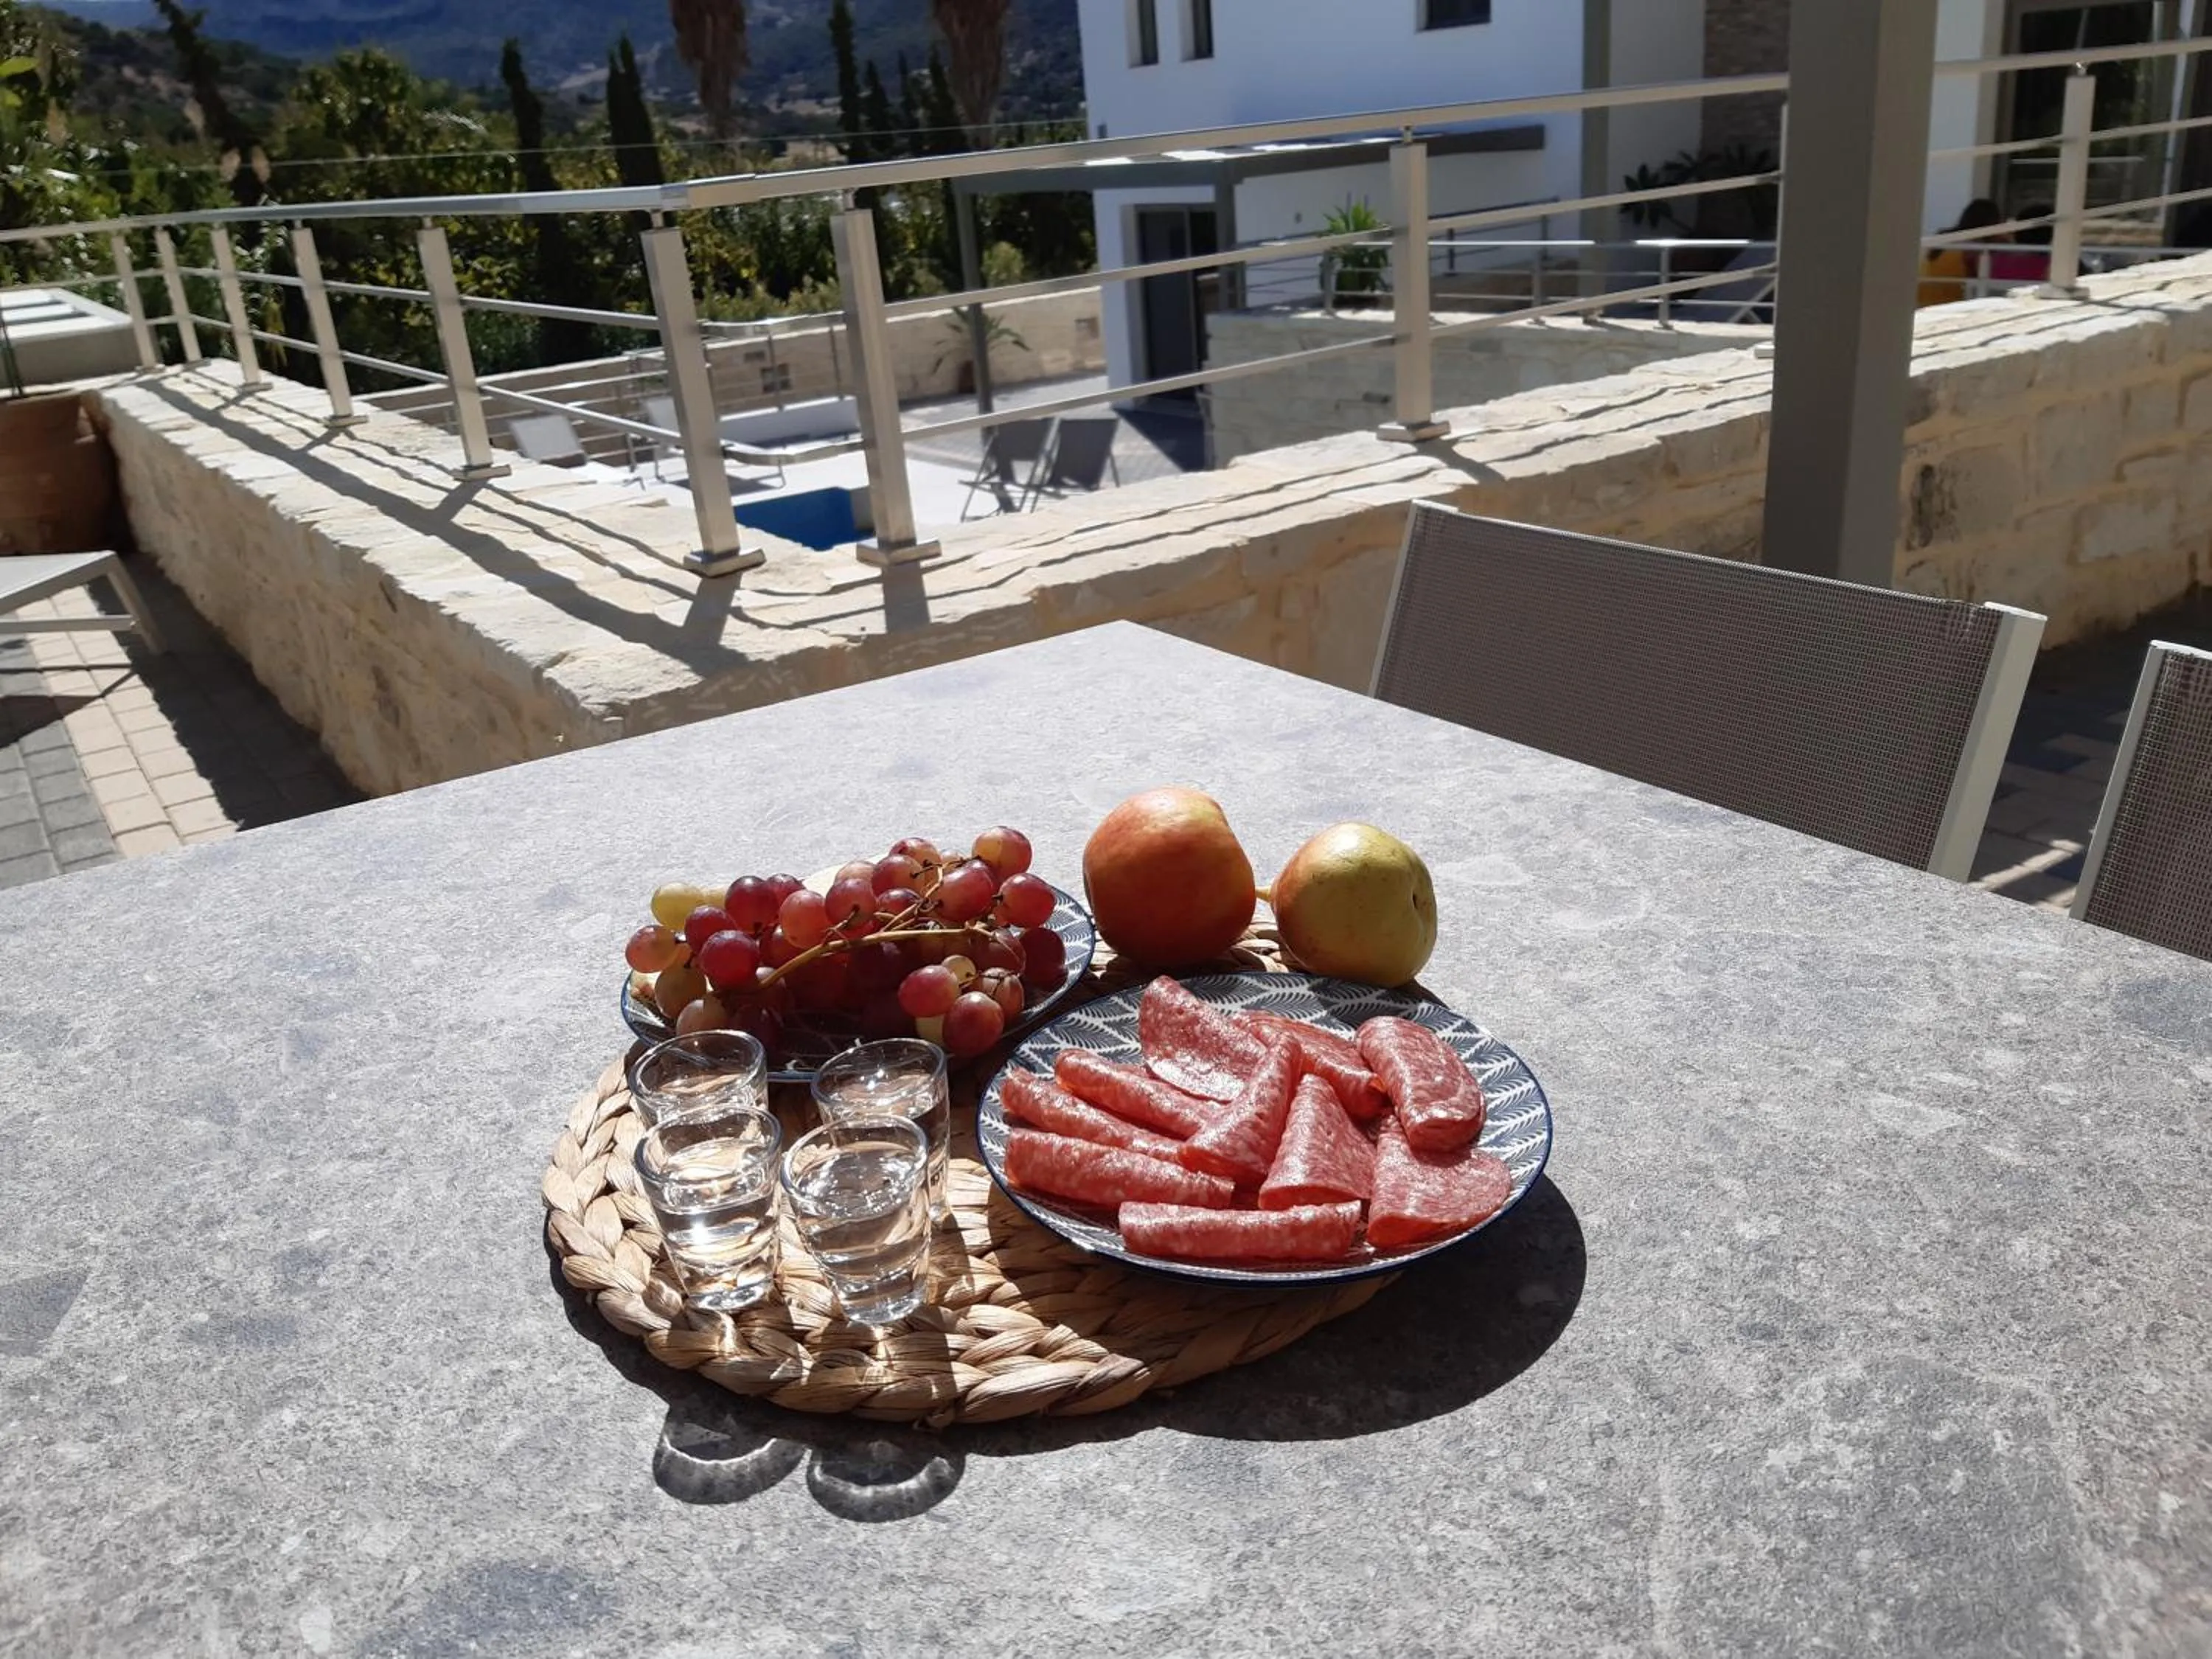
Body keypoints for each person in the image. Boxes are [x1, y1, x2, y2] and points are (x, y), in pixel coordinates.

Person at [1919, 198, 2006, 307]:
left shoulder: (1943, 238)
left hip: (1927, 298)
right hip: (1954, 301)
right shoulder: (1976, 249)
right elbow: (1984, 282)